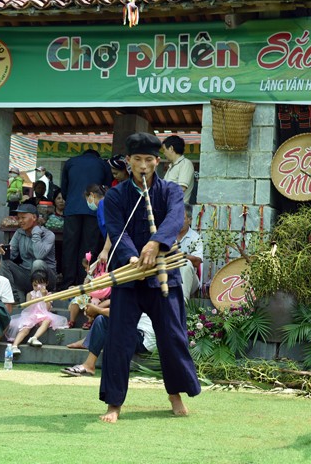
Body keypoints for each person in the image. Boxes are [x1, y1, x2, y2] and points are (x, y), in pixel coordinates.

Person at [99, 132, 201, 423]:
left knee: (172, 336)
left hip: (164, 275)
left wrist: (155, 243)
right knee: (119, 339)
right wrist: (132, 256)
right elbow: (116, 230)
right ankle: (114, 403)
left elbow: (174, 219)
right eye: (137, 160)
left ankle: (175, 394)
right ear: (128, 161)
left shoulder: (169, 190)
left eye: (148, 160)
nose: (143, 166)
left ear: (158, 161)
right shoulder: (117, 195)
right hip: (129, 276)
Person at [61, 149, 112, 288]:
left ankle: (67, 283)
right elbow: (105, 190)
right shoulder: (103, 165)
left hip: (72, 209)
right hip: (93, 211)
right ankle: (84, 282)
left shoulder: (70, 162)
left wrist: (72, 200)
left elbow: (63, 190)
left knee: (69, 247)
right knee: (88, 247)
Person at [62, 306, 155, 377]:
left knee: (102, 320)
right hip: (137, 334)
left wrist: (97, 309)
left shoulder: (141, 294)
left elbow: (118, 314)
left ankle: (89, 365)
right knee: (104, 322)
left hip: (142, 340)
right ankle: (87, 342)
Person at [0, 203, 58, 302]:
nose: (20, 221)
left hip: (46, 279)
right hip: (26, 276)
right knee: (3, 262)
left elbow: (39, 254)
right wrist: (4, 251)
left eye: (23, 218)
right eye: (19, 218)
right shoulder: (19, 233)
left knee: (37, 263)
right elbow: (11, 256)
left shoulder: (48, 235)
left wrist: (36, 232)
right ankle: (12, 295)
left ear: (34, 217)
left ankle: (39, 296)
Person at [6, 270, 68, 354]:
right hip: (31, 314)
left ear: (46, 283)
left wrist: (44, 296)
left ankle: (34, 338)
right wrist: (33, 301)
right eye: (35, 285)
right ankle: (14, 346)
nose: (38, 287)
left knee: (47, 320)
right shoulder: (30, 294)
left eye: (41, 284)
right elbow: (27, 307)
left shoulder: (48, 294)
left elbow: (48, 308)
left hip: (43, 314)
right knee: (25, 329)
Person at [177, 204, 203, 298]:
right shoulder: (168, 234)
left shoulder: (195, 238)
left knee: (186, 263)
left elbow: (197, 262)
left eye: (182, 218)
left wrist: (179, 255)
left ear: (190, 220)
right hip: (168, 276)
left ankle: (183, 305)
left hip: (190, 281)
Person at [162, 135, 195, 204]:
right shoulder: (171, 167)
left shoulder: (185, 164)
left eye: (164, 150)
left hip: (177, 209)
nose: (164, 153)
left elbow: (181, 188)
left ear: (171, 148)